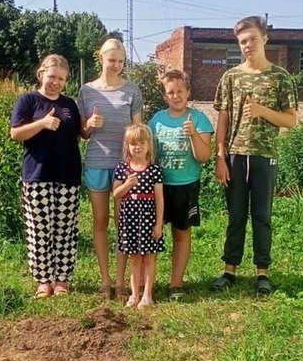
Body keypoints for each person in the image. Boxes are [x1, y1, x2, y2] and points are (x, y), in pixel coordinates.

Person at [211, 16, 298, 297]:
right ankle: (229, 270)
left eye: (252, 39)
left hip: (264, 156)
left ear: (265, 39)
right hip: (235, 155)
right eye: (242, 41)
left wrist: (261, 111)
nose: (247, 45)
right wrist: (220, 155)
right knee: (236, 216)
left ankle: (263, 273)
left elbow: (290, 120)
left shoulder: (280, 77)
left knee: (262, 217)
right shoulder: (231, 77)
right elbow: (222, 117)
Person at [10, 54, 82, 299]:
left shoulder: (70, 104)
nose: (56, 82)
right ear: (41, 74)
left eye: (61, 79)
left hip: (68, 174)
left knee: (65, 229)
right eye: (52, 77)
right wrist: (41, 123)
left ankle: (62, 280)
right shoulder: (28, 100)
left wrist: (91, 125)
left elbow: (81, 134)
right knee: (39, 229)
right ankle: (43, 280)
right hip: (37, 175)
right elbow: (16, 133)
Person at [77, 38, 143, 301]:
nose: (116, 65)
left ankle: (120, 281)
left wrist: (138, 161)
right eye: (111, 60)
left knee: (123, 224)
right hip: (96, 162)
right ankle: (105, 281)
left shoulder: (132, 90)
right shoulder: (87, 91)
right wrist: (90, 123)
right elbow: (82, 133)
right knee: (101, 222)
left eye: (120, 61)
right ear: (101, 59)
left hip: (124, 167)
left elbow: (139, 131)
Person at [149, 69, 213, 300]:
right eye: (170, 92)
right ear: (165, 96)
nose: (175, 96)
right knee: (152, 234)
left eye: (180, 91)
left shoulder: (199, 119)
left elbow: (205, 156)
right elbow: (149, 153)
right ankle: (149, 282)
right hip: (157, 186)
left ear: (188, 93)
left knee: (181, 233)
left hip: (185, 185)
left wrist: (194, 135)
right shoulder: (156, 120)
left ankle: (176, 283)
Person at [112, 124, 164, 308]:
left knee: (149, 257)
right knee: (134, 258)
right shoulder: (122, 169)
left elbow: (159, 199)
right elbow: (116, 194)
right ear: (127, 145)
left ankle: (147, 295)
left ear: (148, 145)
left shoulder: (154, 170)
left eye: (142, 143)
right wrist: (127, 184)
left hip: (149, 220)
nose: (138, 147)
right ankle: (134, 295)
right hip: (130, 221)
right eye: (133, 143)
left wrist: (159, 224)